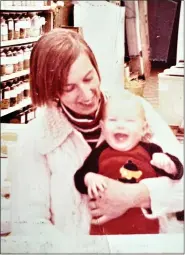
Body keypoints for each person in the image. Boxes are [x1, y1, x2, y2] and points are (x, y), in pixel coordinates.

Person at [9, 28, 183, 238]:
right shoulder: (35, 140)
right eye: (69, 87)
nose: (85, 94)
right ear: (51, 90)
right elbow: (29, 224)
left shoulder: (136, 111)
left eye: (89, 78)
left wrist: (135, 196)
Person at [74, 94, 183, 235]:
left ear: (143, 129)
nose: (120, 125)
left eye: (130, 121)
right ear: (102, 127)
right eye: (112, 120)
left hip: (146, 230)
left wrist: (170, 165)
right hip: (105, 232)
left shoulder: (151, 150)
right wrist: (89, 177)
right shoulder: (99, 153)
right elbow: (79, 178)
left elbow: (176, 175)